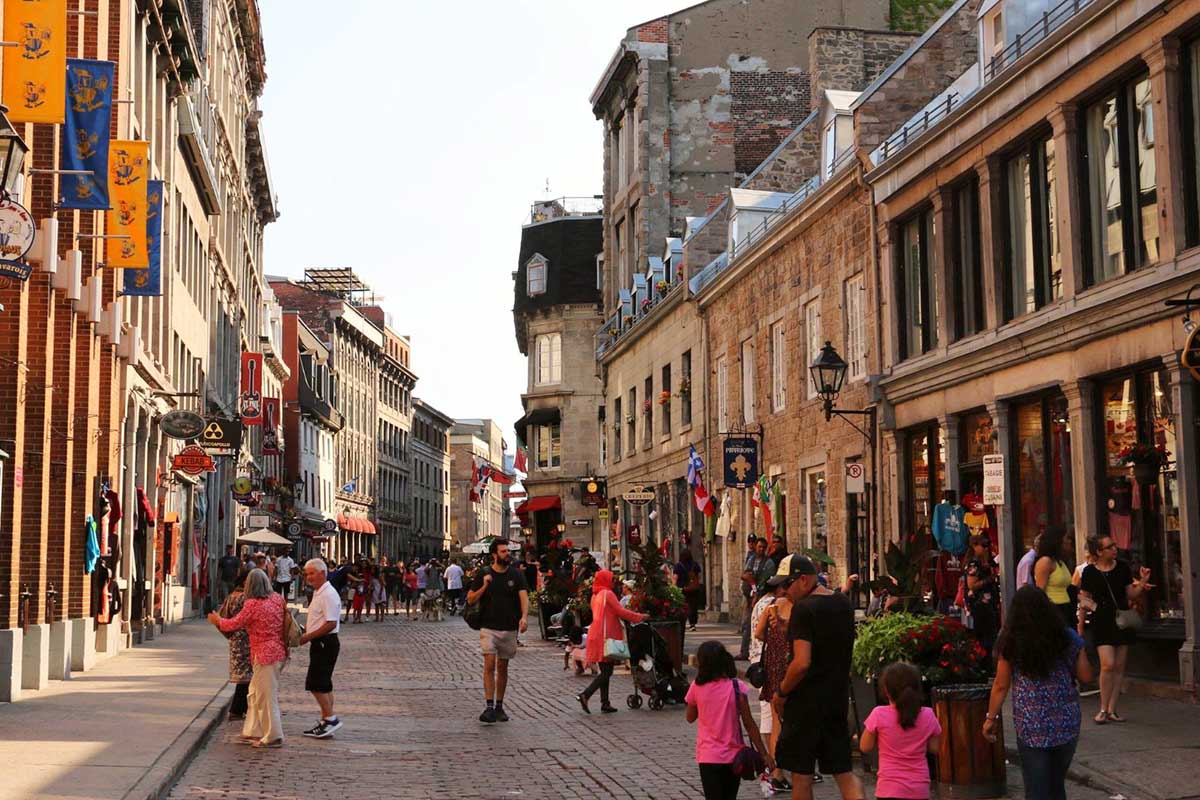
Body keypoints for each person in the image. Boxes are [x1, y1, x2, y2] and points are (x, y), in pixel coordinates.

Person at [983, 586, 1094, 800]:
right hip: (1066, 721)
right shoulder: (1067, 637)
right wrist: (1079, 650)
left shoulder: (1011, 641)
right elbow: (1086, 676)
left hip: (1032, 724)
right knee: (1056, 785)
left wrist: (991, 718)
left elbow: (1000, 685)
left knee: (1037, 789)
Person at [771, 555, 863, 800]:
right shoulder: (842, 603)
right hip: (836, 699)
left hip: (806, 705)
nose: (783, 591)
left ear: (803, 579)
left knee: (801, 775)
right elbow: (825, 633)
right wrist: (791, 628)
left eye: (787, 584)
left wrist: (781, 692)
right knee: (843, 772)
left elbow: (801, 663)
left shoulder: (803, 609)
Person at [686, 640, 776, 800]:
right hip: (733, 757)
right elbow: (749, 724)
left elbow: (690, 718)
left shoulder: (696, 687)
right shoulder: (736, 686)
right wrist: (764, 754)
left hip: (708, 756)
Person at [206, 569, 286, 749]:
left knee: (266, 696)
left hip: (264, 654)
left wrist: (216, 619)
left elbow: (233, 624)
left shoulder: (252, 604)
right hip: (274, 652)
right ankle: (253, 729)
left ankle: (273, 736)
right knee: (255, 692)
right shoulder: (277, 599)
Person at [1079, 535, 1152, 724]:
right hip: (1101, 620)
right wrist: (1082, 621)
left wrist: (1142, 582)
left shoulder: (1122, 568)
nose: (1114, 549)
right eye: (1109, 546)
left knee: (1119, 666)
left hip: (1121, 619)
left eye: (1114, 545)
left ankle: (1112, 709)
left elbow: (1131, 594)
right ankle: (1103, 709)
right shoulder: (1088, 572)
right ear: (1099, 552)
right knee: (1107, 664)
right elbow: (1083, 598)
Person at [466, 538, 529, 723]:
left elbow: (524, 596)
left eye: (507, 551)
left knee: (503, 667)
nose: (507, 554)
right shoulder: (483, 574)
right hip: (488, 626)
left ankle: (499, 705)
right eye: (503, 551)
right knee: (489, 664)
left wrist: (524, 617)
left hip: (509, 627)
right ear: (494, 554)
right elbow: (470, 599)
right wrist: (484, 585)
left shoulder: (516, 575)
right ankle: (489, 706)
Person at [859, 662, 942, 800]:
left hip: (889, 788)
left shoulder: (879, 714)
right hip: (919, 788)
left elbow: (864, 747)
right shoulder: (928, 715)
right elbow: (935, 748)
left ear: (886, 690)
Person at [576, 569, 646, 714]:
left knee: (605, 669)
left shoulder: (595, 595)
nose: (614, 582)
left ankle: (605, 702)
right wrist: (640, 617)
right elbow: (621, 612)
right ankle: (586, 694)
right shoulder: (608, 594)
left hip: (596, 634)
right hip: (605, 636)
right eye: (611, 579)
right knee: (607, 672)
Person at [754, 571, 793, 794]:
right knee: (786, 721)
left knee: (776, 721)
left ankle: (777, 770)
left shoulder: (771, 607)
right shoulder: (797, 607)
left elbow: (759, 634)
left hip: (773, 665)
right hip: (789, 665)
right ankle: (780, 772)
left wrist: (775, 642)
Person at [297, 558, 344, 738]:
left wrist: (307, 636)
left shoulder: (328, 594)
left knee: (316, 683)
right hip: (320, 641)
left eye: (312, 573)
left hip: (325, 642)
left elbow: (331, 623)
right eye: (306, 574)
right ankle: (326, 720)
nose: (308, 577)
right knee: (324, 685)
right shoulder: (319, 592)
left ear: (323, 573)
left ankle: (331, 719)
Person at [217, 567, 252, 721]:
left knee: (245, 676)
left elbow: (222, 620)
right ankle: (237, 710)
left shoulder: (232, 596)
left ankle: (241, 709)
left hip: (237, 640)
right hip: (246, 640)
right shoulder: (245, 598)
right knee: (248, 677)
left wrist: (230, 635)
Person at [738, 537, 775, 660]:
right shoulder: (752, 559)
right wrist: (749, 581)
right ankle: (744, 651)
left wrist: (756, 592)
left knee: (755, 624)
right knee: (747, 624)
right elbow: (745, 574)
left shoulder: (768, 563)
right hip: (749, 595)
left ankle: (758, 652)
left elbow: (765, 580)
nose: (761, 549)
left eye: (763, 548)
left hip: (761, 597)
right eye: (759, 547)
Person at [962, 535, 1000, 654]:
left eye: (987, 546)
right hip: (980, 604)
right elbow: (972, 585)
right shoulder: (974, 564)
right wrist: (989, 579)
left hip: (987, 604)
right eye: (983, 546)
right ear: (974, 545)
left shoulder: (981, 562)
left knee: (989, 634)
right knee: (985, 635)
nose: (985, 549)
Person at [1034, 527, 1074, 628]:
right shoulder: (1045, 561)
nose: (1069, 541)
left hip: (1065, 608)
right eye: (1066, 538)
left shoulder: (1060, 561)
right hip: (1053, 609)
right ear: (1057, 541)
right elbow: (1040, 591)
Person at [675, 549, 704, 632]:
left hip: (682, 589)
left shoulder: (678, 565)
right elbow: (699, 576)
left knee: (682, 606)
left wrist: (674, 586)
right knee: (693, 606)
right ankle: (693, 624)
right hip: (694, 589)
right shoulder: (695, 565)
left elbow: (675, 578)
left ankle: (682, 622)